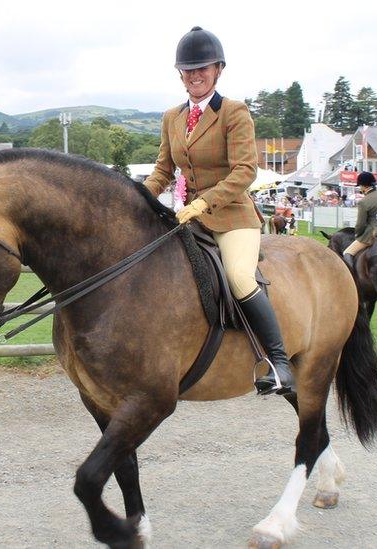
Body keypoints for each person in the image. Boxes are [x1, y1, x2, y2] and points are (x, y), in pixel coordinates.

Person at [142, 26, 292, 396]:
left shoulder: (234, 112)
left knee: (240, 277)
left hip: (231, 216)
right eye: (188, 70)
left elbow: (245, 170)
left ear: (218, 69)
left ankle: (279, 362)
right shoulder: (171, 118)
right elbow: (164, 170)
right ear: (180, 74)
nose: (195, 75)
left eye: (202, 68)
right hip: (187, 218)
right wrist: (137, 198)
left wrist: (202, 202)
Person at [342, 172, 377, 271]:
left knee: (347, 252)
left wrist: (358, 234)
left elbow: (360, 224)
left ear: (364, 186)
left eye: (360, 186)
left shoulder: (364, 202)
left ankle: (353, 275)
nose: (360, 189)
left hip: (374, 233)